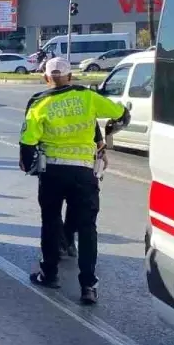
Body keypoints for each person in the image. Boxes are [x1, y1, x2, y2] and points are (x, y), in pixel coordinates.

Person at [19, 57, 130, 305]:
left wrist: (28, 166)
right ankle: (88, 286)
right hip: (84, 172)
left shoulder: (40, 104)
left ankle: (49, 274)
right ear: (70, 77)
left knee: (50, 221)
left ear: (46, 78)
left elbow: (27, 143)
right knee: (88, 228)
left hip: (53, 172)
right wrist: (106, 137)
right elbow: (121, 114)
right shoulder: (87, 97)